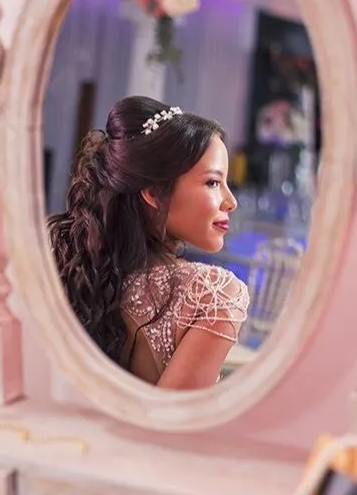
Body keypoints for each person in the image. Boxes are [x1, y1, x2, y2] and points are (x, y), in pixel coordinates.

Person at [47, 96, 249, 389]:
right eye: (213, 182)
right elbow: (171, 418)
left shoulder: (77, 269)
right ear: (154, 192)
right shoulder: (215, 295)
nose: (231, 202)